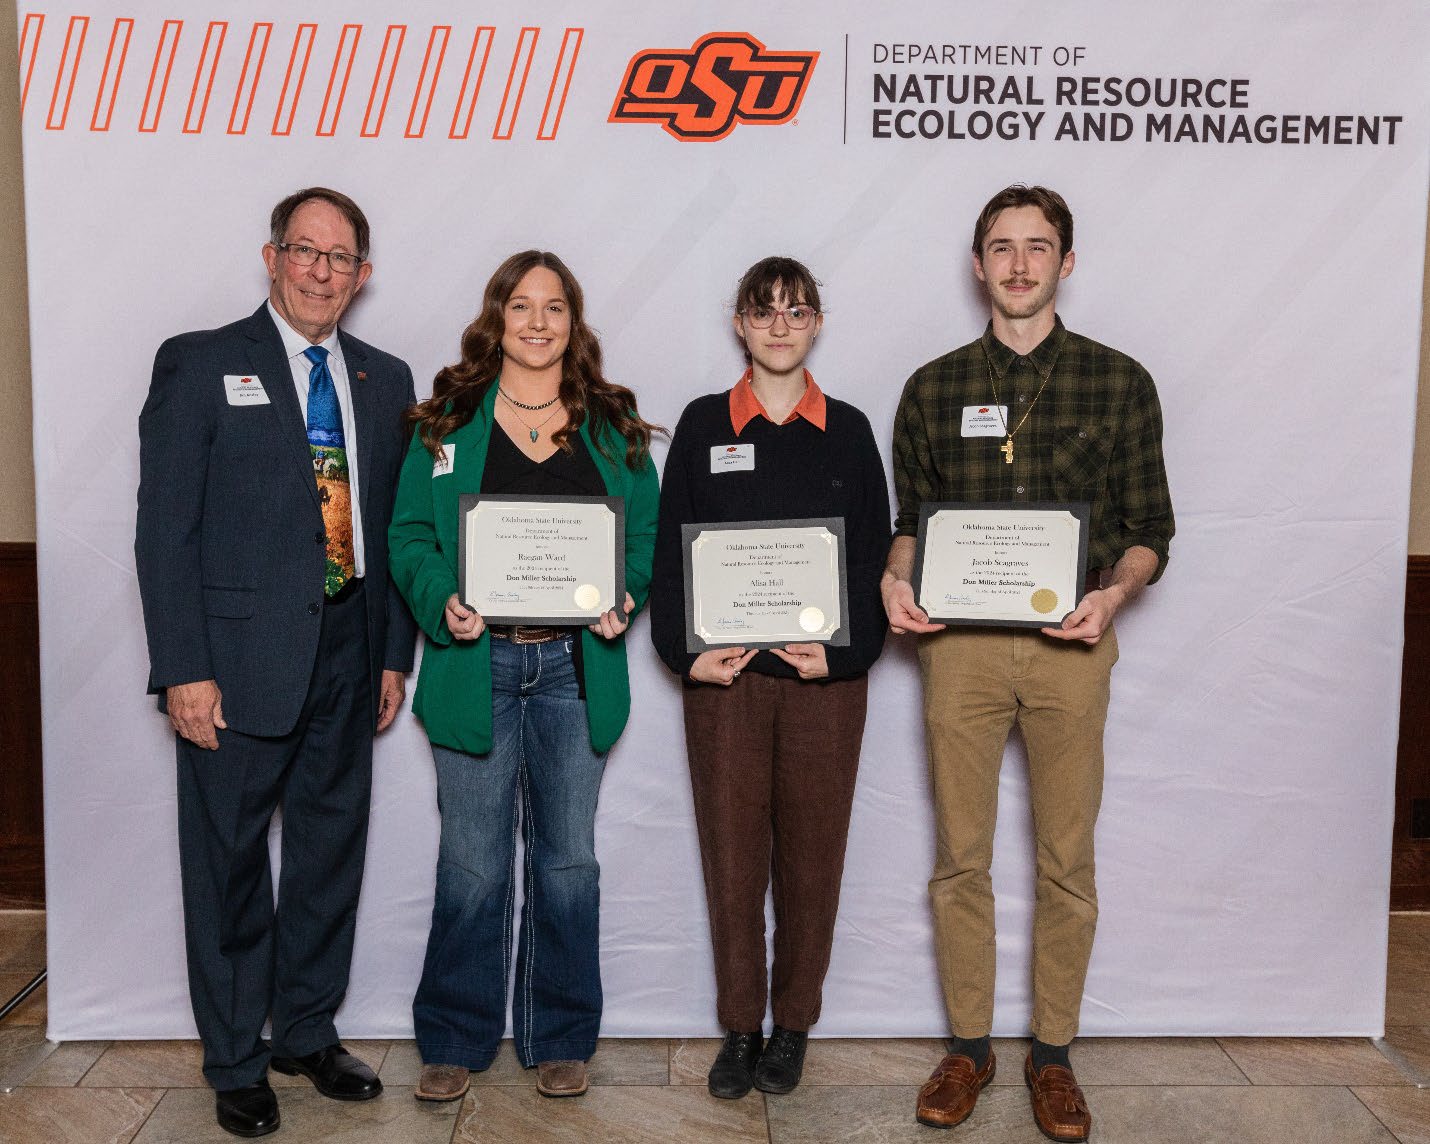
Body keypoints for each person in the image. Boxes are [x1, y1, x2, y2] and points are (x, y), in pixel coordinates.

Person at [882, 185, 1174, 1141]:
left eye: (1037, 247)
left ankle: (1053, 1056)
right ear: (978, 264)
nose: (1018, 264)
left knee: (1066, 860)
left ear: (1066, 262)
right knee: (959, 857)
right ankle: (969, 1047)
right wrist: (894, 583)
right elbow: (908, 528)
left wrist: (1115, 594)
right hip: (957, 653)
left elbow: (1150, 532)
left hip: (1070, 647)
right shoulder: (930, 387)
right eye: (1001, 248)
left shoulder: (1118, 381)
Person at [135, 187, 417, 1138]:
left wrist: (390, 653)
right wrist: (183, 667)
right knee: (227, 865)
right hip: (234, 660)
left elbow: (393, 525)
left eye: (342, 258)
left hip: (350, 646)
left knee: (330, 855)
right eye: (306, 251)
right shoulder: (204, 363)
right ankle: (235, 1058)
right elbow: (164, 532)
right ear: (272, 256)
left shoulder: (386, 378)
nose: (322, 272)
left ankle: (305, 1031)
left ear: (363, 275)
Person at [388, 250, 660, 1104]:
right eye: (522, 307)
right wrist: (444, 605)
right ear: (496, 319)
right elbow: (408, 537)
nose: (538, 323)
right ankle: (456, 1037)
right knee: (472, 862)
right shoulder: (447, 422)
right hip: (480, 664)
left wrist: (625, 594)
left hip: (575, 669)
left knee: (568, 861)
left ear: (574, 324)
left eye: (555, 309)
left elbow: (644, 540)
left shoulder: (613, 425)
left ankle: (561, 1035)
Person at [650, 257, 891, 1099]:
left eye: (797, 311)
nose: (781, 325)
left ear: (817, 322)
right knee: (732, 854)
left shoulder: (851, 430)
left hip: (827, 682)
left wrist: (848, 652)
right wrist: (688, 655)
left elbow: (872, 559)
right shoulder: (703, 421)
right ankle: (740, 1026)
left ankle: (792, 1026)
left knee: (814, 856)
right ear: (740, 324)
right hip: (727, 685)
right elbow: (668, 553)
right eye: (765, 311)